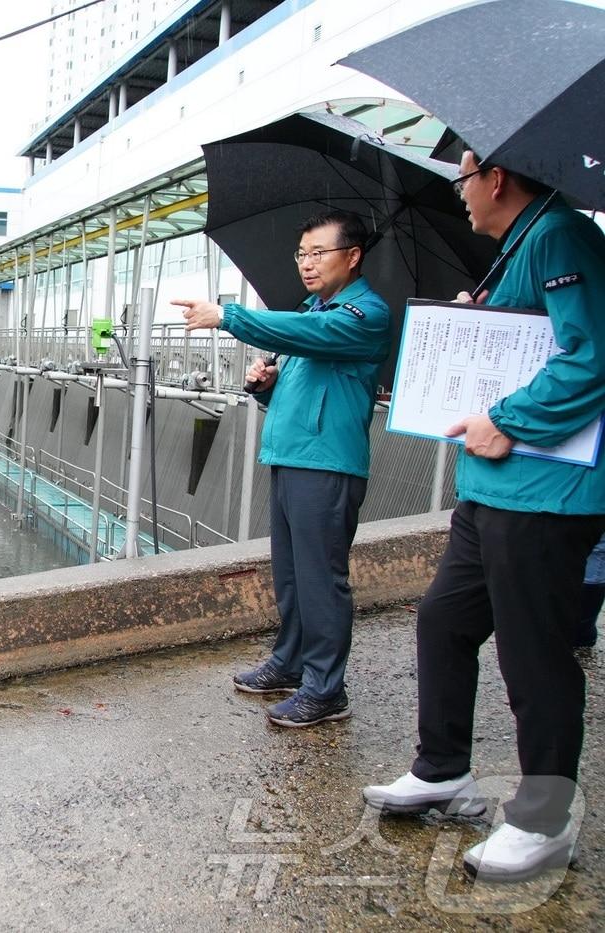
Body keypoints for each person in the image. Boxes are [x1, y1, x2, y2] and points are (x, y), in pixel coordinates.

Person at [362, 151, 605, 883]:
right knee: (445, 619)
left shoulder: (559, 235)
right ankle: (443, 768)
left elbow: (590, 354)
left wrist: (506, 416)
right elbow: (537, 340)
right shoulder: (525, 241)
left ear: (496, 178)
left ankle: (544, 822)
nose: (460, 193)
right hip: (496, 488)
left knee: (534, 655)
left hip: (542, 492)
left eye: (464, 177)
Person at [174, 210, 390, 728]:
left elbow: (314, 336)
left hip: (327, 464)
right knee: (293, 575)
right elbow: (307, 380)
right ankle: (291, 661)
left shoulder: (363, 314)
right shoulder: (317, 309)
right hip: (292, 456)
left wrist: (228, 316)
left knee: (321, 579)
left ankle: (325, 689)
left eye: (319, 253)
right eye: (302, 254)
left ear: (353, 256)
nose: (307, 264)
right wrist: (267, 383)